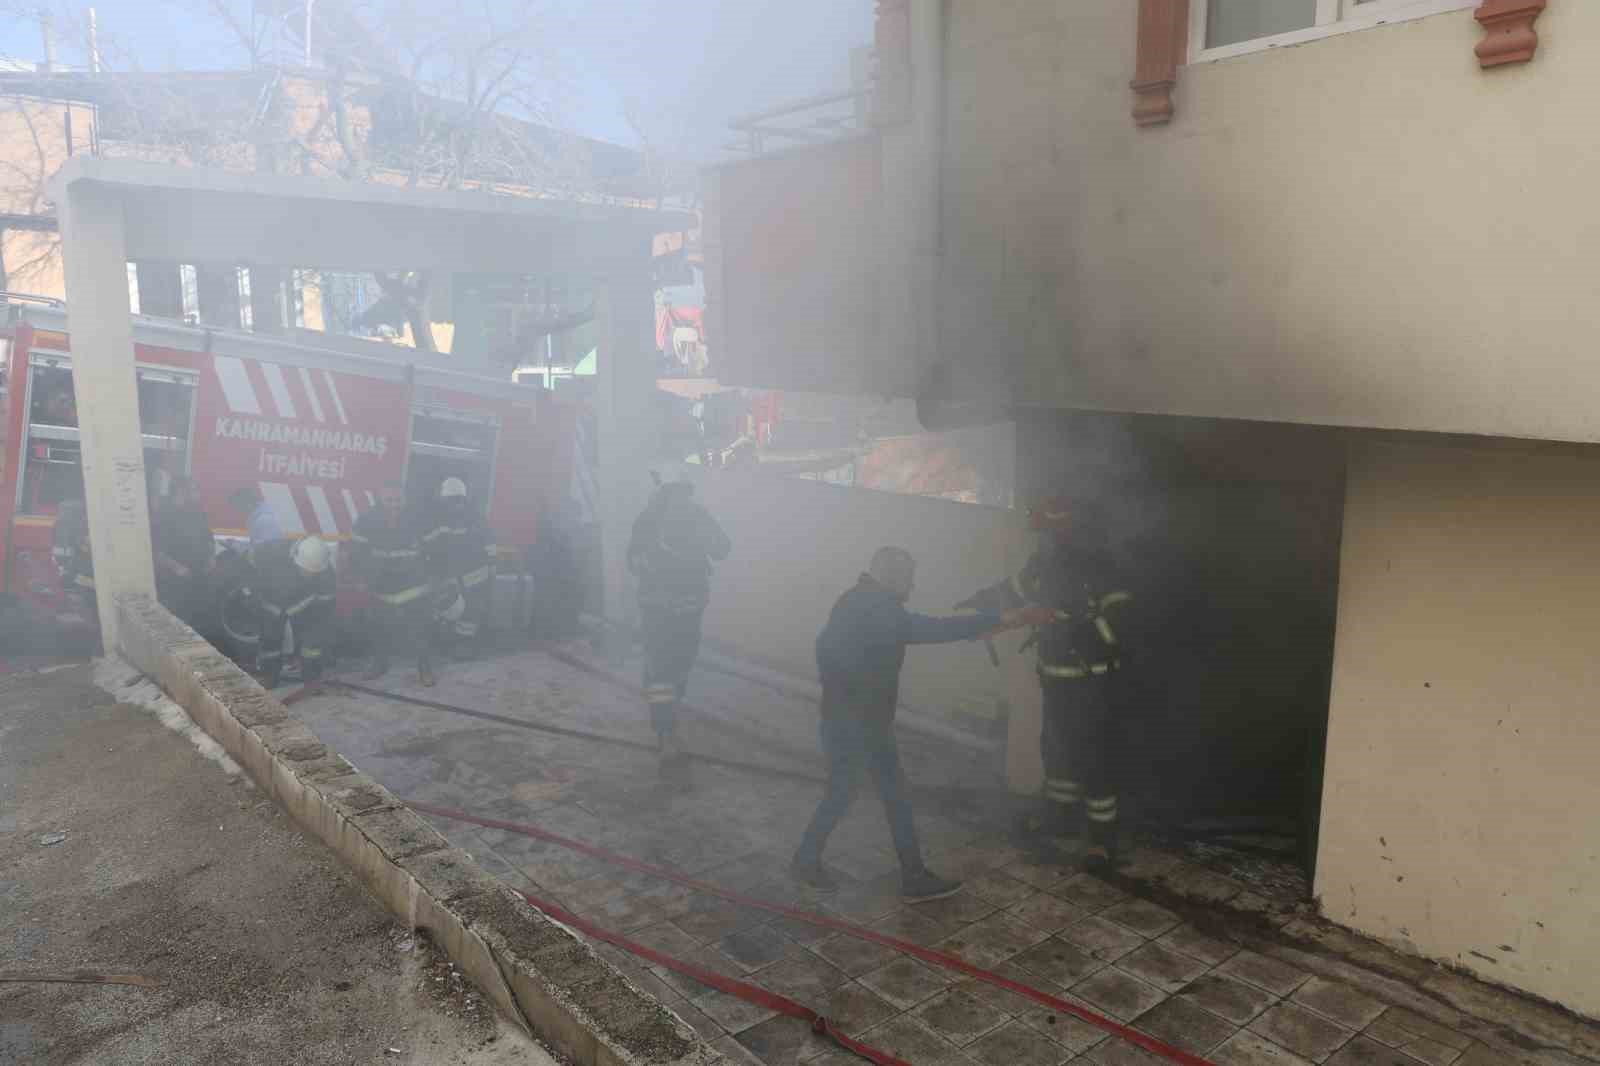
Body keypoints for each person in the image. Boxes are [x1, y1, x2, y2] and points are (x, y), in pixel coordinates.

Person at [792, 547, 1055, 902]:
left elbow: (825, 647)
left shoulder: (855, 598)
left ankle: (876, 870)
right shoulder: (878, 607)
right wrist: (1007, 619)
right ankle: (879, 872)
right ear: (892, 576)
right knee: (867, 795)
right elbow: (928, 628)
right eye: (909, 578)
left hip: (855, 719)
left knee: (872, 795)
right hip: (859, 724)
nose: (913, 585)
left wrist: (846, 689)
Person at [958, 497, 1137, 870]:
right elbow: (1014, 590)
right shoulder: (1043, 564)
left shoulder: (1102, 567)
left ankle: (1101, 842)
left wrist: (1071, 621)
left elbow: (1121, 626)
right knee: (1056, 750)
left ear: (1068, 530)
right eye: (1042, 534)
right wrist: (981, 602)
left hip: (1094, 685)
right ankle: (1062, 820)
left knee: (1094, 759)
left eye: (1050, 533)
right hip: (1054, 679)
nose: (1044, 541)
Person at [626, 478, 730, 772]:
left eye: (686, 493)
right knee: (660, 671)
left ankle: (670, 716)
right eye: (675, 493)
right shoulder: (649, 521)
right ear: (664, 493)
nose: (682, 499)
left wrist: (708, 540)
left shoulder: (699, 517)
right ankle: (664, 732)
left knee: (681, 667)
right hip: (658, 612)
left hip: (689, 610)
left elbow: (723, 547)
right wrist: (653, 566)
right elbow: (633, 560)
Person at [352, 480, 435, 687]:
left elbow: (434, 550)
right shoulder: (366, 520)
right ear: (381, 498)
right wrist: (361, 577)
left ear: (404, 499)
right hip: (381, 584)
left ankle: (424, 667)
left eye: (397, 500)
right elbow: (357, 552)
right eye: (389, 500)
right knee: (378, 627)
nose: (393, 504)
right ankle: (380, 663)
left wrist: (432, 576)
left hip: (413, 583)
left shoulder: (419, 519)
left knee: (420, 629)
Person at [423, 477, 497, 657]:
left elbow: (430, 543)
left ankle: (459, 645)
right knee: (460, 610)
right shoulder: (470, 517)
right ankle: (456, 645)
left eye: (455, 500)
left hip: (470, 574)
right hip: (465, 575)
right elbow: (430, 543)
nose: (454, 504)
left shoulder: (452, 517)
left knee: (464, 610)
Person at [253, 535, 335, 688]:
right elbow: (260, 586)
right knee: (271, 639)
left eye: (313, 572)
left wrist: (320, 634)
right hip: (274, 606)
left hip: (306, 609)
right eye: (305, 571)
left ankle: (311, 673)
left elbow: (325, 611)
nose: (309, 575)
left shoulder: (326, 574)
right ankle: (270, 674)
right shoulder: (275, 559)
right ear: (295, 560)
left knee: (313, 640)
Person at [153, 476, 216, 633]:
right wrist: (176, 568)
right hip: (174, 582)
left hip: (199, 577)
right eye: (194, 490)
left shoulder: (198, 513)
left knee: (197, 621)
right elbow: (158, 551)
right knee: (175, 623)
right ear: (181, 491)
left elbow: (209, 538)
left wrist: (211, 557)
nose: (197, 494)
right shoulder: (165, 515)